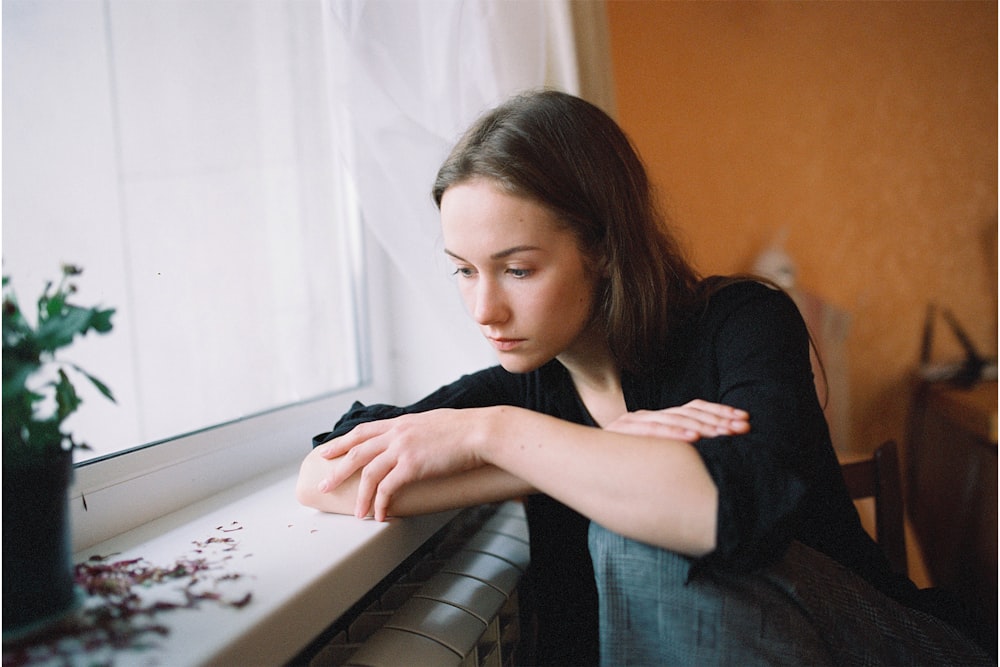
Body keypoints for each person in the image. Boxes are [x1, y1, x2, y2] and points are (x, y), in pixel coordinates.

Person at [297, 90, 991, 665]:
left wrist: (496, 434)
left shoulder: (742, 320)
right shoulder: (525, 385)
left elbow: (720, 511)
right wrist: (536, 453)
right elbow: (325, 475)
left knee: (636, 527)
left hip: (889, 645)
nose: (484, 308)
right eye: (463, 269)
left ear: (602, 247)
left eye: (517, 269)